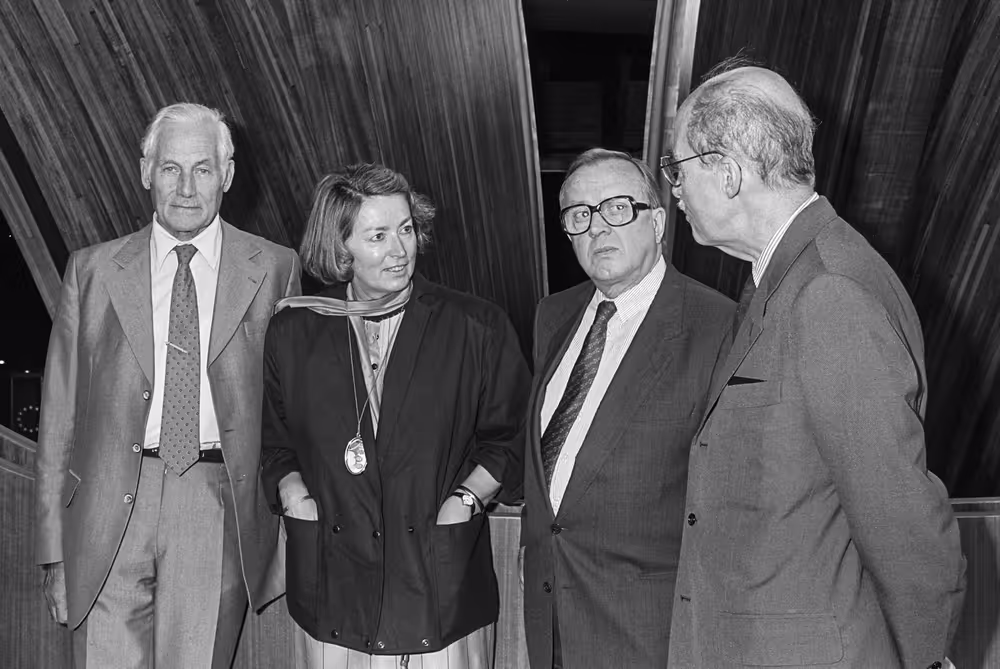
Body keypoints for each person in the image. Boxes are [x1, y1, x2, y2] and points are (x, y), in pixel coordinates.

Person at [664, 59, 966, 669]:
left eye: (677, 168)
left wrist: (921, 660)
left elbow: (903, 522)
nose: (673, 190)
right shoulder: (786, 278)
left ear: (726, 172)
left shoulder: (830, 292)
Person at [34, 102, 301, 668]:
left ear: (226, 176)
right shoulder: (91, 270)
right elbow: (58, 420)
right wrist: (54, 550)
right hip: (106, 515)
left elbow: (290, 409)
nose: (185, 187)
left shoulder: (276, 269)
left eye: (202, 169)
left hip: (214, 503)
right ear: (145, 172)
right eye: (170, 168)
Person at [260, 162, 530, 668]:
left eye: (405, 229)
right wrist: (297, 499)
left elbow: (511, 440)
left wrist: (465, 500)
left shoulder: (476, 326)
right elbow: (275, 445)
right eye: (378, 235)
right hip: (333, 587)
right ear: (341, 246)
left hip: (436, 586)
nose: (400, 250)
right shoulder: (295, 329)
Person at [520, 148, 734, 668]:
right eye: (579, 215)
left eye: (617, 208)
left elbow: (734, 497)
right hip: (550, 622)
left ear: (657, 221)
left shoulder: (718, 326)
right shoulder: (554, 315)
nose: (597, 228)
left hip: (649, 630)